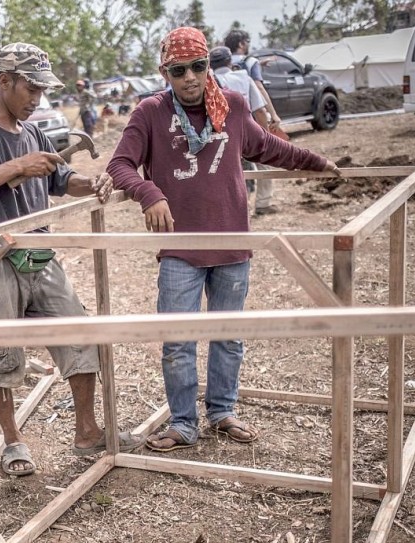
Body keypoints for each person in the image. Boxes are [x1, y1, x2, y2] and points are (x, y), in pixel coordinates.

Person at [106, 27, 340, 452]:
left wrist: (318, 162)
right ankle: (183, 423)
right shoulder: (151, 112)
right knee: (177, 340)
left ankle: (222, 410)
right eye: (179, 71)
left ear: (207, 66)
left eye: (198, 66)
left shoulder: (231, 106)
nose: (191, 77)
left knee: (228, 334)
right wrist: (149, 192)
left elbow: (269, 147)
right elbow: (120, 164)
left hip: (232, 244)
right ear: (166, 73)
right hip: (180, 248)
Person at [0, 42, 146, 476]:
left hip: (40, 254)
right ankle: (13, 442)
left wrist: (90, 184)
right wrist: (16, 166)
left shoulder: (33, 133)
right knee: (2, 356)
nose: (37, 99)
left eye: (42, 90)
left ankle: (88, 432)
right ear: (4, 82)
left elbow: (59, 178)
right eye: (30, 88)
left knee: (80, 335)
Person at [225, 29, 281, 216]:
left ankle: (238, 207)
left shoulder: (220, 63)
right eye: (247, 41)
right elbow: (258, 86)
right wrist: (272, 114)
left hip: (226, 126)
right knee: (263, 160)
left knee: (235, 166)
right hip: (250, 121)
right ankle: (263, 203)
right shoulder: (250, 62)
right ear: (241, 44)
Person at [209, 45, 268, 198]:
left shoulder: (207, 84)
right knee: (247, 178)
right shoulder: (243, 78)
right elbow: (260, 110)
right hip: (243, 139)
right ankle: (257, 204)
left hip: (218, 143)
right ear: (230, 61)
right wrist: (265, 137)